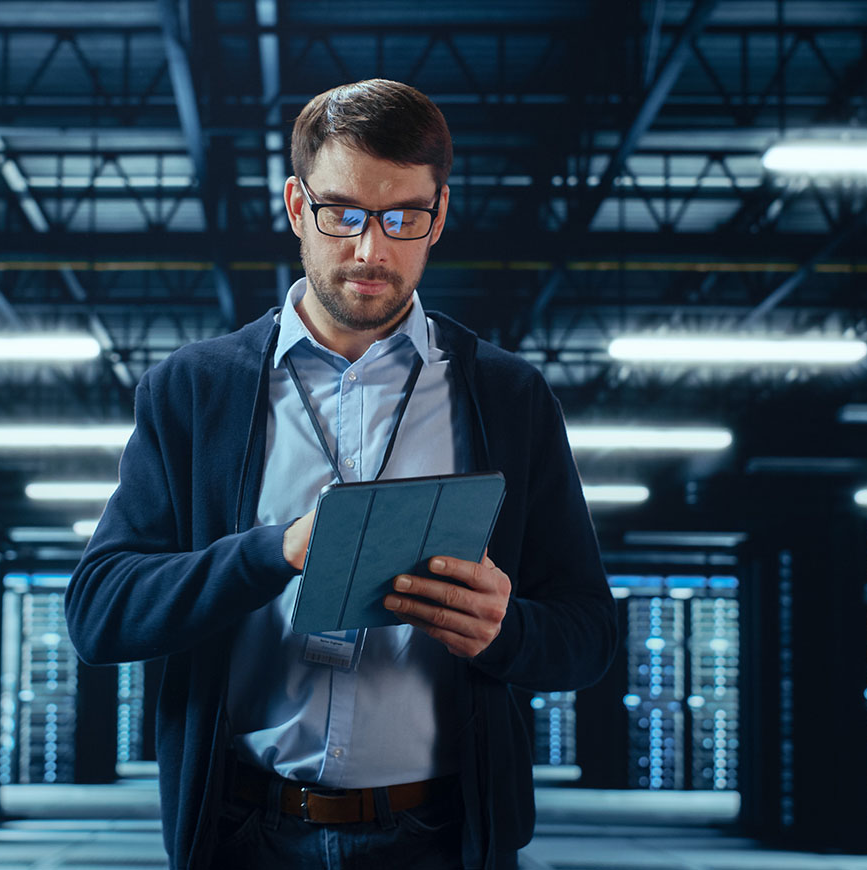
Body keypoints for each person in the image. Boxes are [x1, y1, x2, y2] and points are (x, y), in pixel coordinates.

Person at [65, 79, 617, 870]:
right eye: (343, 214)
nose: (371, 250)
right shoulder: (196, 392)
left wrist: (509, 631)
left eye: (402, 219)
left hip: (438, 838)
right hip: (244, 835)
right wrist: (275, 551)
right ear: (297, 207)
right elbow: (99, 613)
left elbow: (589, 635)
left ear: (439, 216)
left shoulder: (507, 397)